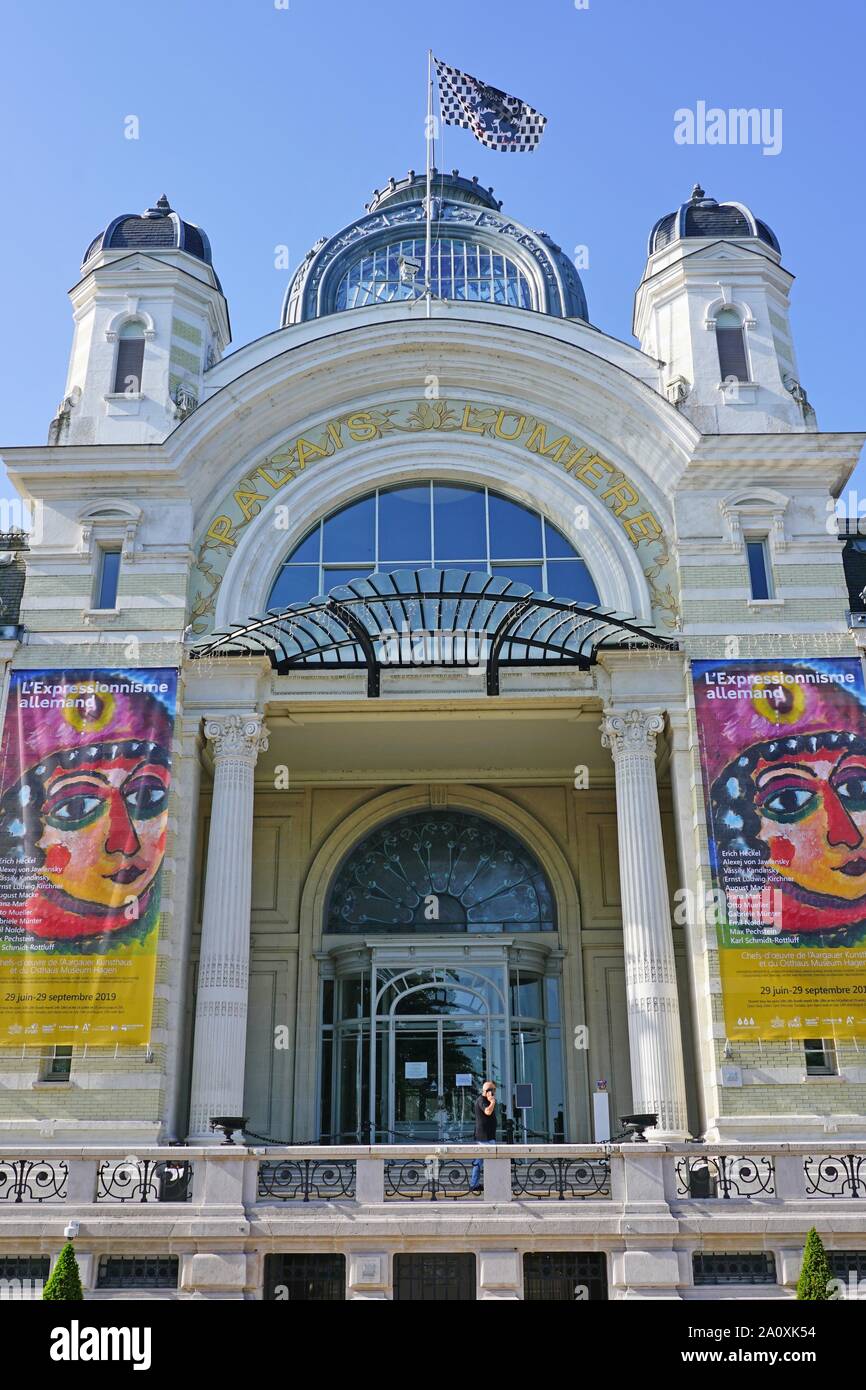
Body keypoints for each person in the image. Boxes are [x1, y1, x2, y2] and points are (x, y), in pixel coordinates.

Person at [695, 662, 866, 945]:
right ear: (734, 826)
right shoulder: (729, 925)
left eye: (856, 788)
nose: (846, 835)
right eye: (789, 800)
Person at [468, 1080, 497, 1192]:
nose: (494, 1092)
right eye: (493, 1090)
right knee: (489, 1161)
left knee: (480, 1162)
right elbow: (487, 1112)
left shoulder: (485, 1100)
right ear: (488, 1091)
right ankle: (477, 1184)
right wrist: (492, 1102)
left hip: (488, 1136)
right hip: (485, 1137)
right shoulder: (482, 1100)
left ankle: (475, 1184)